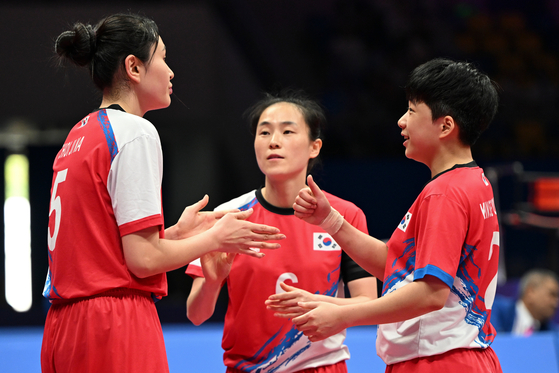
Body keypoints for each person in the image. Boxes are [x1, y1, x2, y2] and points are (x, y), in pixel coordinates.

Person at [41, 13, 284, 373]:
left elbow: (100, 254)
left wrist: (175, 234)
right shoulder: (135, 132)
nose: (171, 71)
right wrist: (216, 237)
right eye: (163, 57)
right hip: (112, 325)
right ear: (134, 68)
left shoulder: (79, 134)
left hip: (63, 328)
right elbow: (144, 261)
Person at [280, 58, 503, 372]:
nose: (401, 121)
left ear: (445, 126)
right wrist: (330, 221)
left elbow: (429, 294)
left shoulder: (445, 193)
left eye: (412, 111)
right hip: (458, 357)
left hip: (438, 362)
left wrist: (343, 316)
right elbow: (398, 266)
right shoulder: (472, 182)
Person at [185, 90, 377, 373]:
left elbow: (367, 304)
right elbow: (196, 315)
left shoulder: (345, 216)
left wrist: (319, 304)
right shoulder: (227, 216)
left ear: (315, 147)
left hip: (322, 367)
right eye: (264, 133)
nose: (274, 141)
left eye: (288, 131)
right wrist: (212, 283)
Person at [491, 268, 559, 335]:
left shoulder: (551, 331)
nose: (556, 303)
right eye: (552, 295)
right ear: (531, 292)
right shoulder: (496, 311)